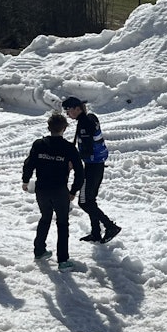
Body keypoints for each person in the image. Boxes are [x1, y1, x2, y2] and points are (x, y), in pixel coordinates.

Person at [21, 113, 84, 271]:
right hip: (60, 190)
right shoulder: (69, 148)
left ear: (49, 128)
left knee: (45, 218)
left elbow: (29, 163)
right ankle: (63, 260)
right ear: (64, 128)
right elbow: (80, 172)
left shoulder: (39, 144)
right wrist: (74, 190)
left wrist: (26, 180)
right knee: (62, 223)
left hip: (41, 189)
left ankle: (39, 250)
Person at [62, 96, 121, 244]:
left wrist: (72, 161)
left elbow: (87, 150)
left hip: (91, 167)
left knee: (84, 202)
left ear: (77, 108)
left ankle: (110, 226)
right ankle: (95, 232)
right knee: (90, 200)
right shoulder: (90, 118)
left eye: (68, 110)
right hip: (97, 165)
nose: (67, 114)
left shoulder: (84, 125)